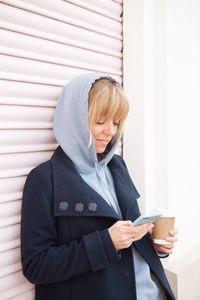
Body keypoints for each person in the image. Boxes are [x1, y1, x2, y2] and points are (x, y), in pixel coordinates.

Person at [21, 72, 178, 300]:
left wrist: (153, 243)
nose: (111, 132)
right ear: (75, 118)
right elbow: (36, 265)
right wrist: (106, 242)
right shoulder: (44, 179)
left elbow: (126, 233)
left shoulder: (116, 165)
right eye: (100, 121)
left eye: (115, 122)